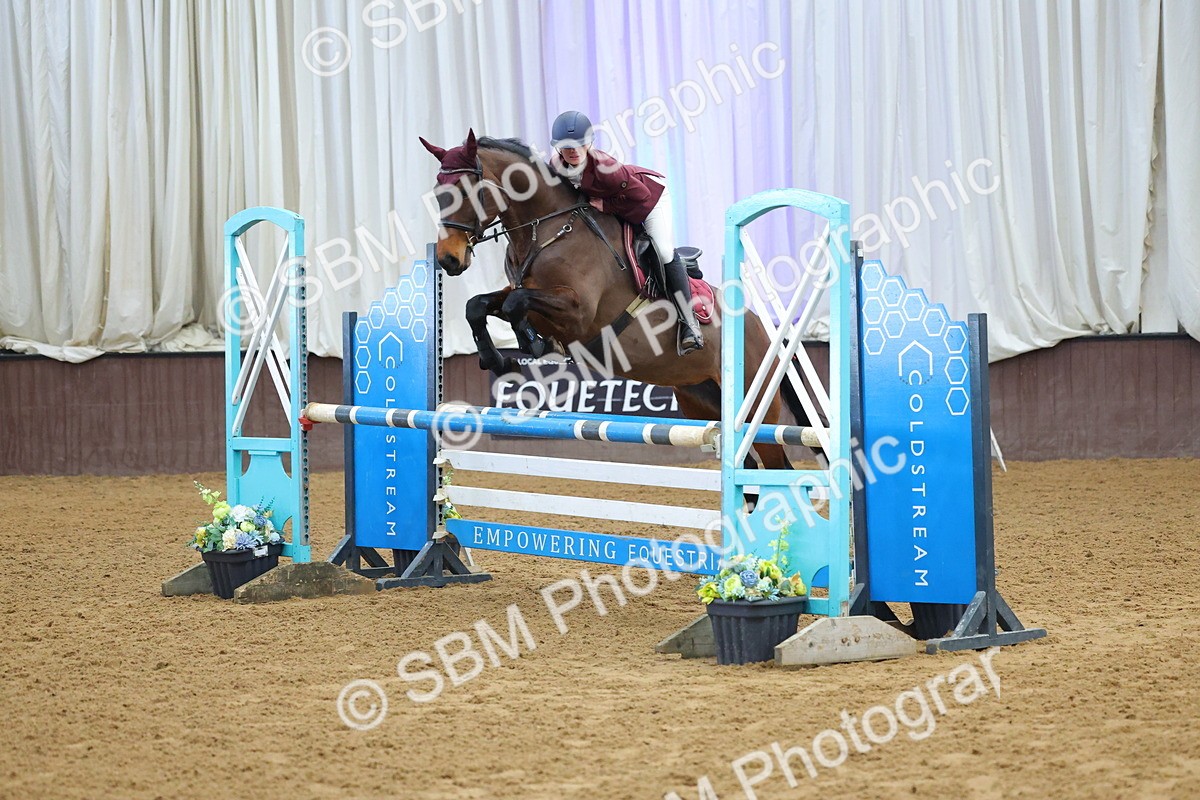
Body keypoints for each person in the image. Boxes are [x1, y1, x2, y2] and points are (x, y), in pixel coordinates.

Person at [547, 111, 703, 354]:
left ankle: (689, 323)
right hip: (621, 202)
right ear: (558, 148)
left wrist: (607, 206)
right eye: (567, 147)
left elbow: (641, 195)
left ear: (589, 143)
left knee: (663, 251)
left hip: (651, 197)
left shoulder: (605, 167)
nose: (574, 151)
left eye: (580, 144)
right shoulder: (556, 166)